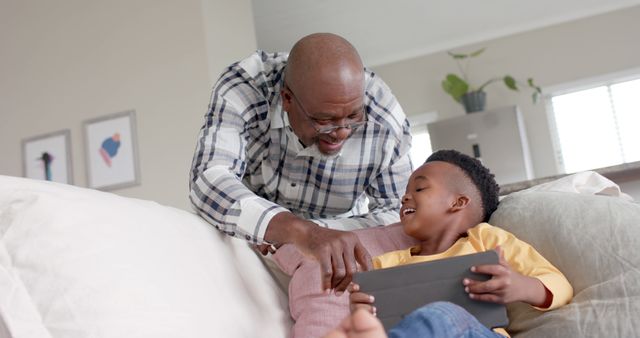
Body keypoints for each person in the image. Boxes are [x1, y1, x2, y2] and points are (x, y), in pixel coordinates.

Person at [189, 33, 413, 293]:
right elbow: (209, 179)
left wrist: (318, 232)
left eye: (354, 116)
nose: (341, 132)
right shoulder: (246, 85)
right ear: (287, 98)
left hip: (336, 248)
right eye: (324, 120)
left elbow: (402, 215)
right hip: (248, 241)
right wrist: (294, 231)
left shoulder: (386, 118)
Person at [344, 149, 573, 337]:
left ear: (458, 202)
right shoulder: (383, 264)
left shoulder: (486, 239)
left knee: (441, 314)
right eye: (405, 191)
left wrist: (518, 286)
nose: (404, 197)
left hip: (478, 333)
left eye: (420, 188)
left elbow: (560, 285)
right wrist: (362, 314)